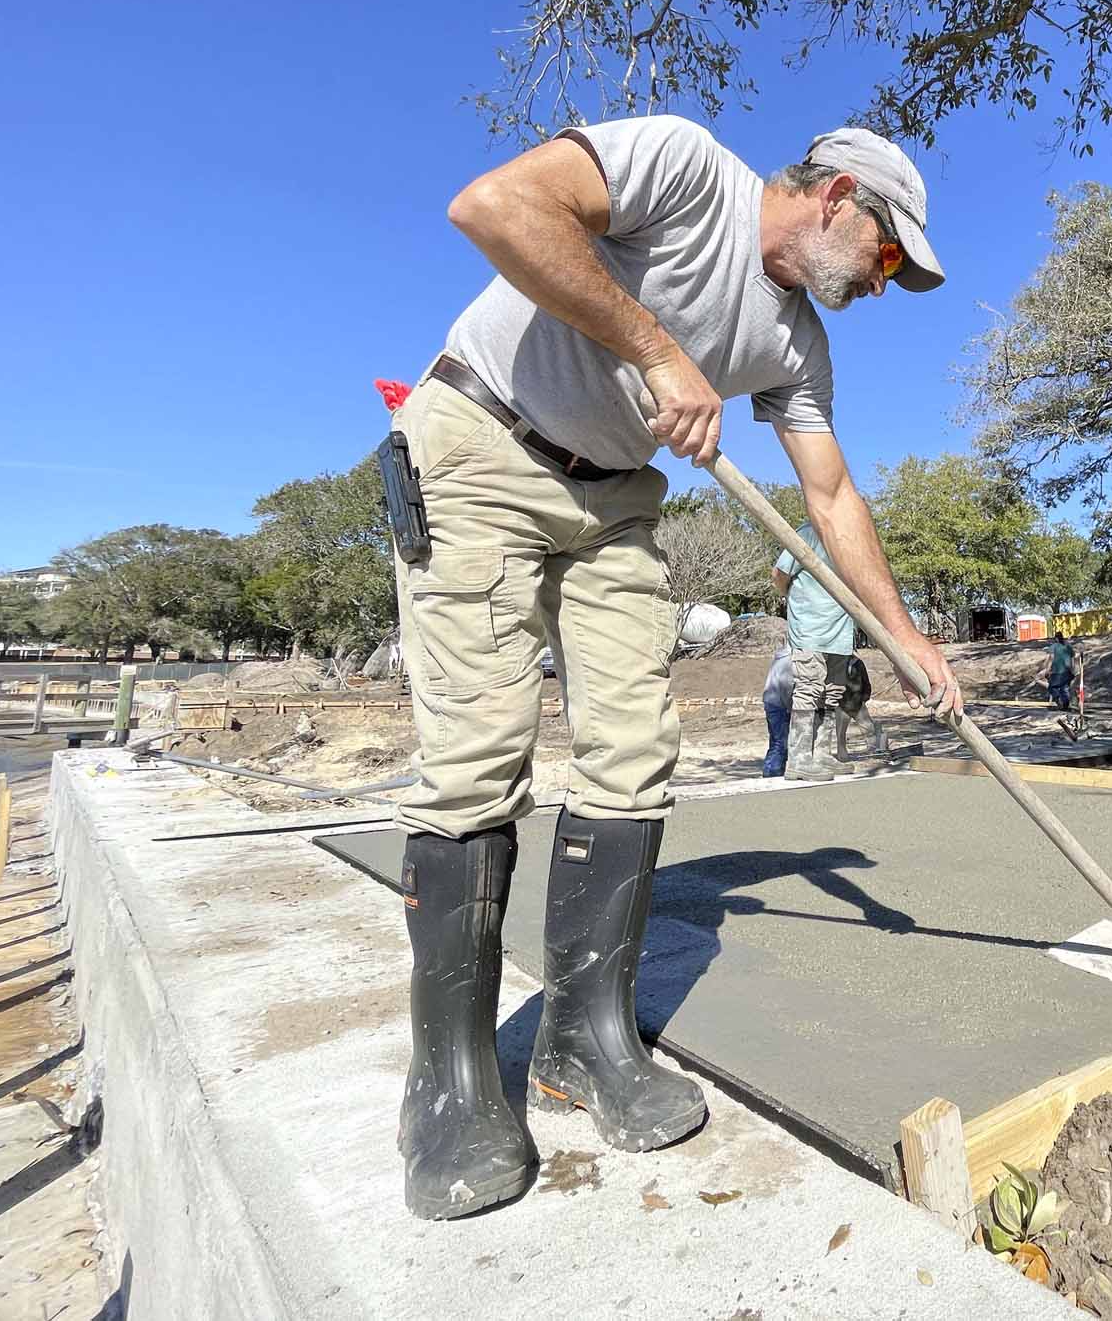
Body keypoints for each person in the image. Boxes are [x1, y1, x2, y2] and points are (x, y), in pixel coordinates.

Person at [386, 115, 961, 1221]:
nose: (882, 286)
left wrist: (903, 635)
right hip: (480, 443)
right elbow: (492, 207)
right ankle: (448, 1087)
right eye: (887, 256)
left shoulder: (798, 345)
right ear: (837, 194)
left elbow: (831, 496)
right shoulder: (685, 167)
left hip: (612, 499)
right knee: (474, 758)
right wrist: (657, 349)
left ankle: (581, 1042)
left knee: (637, 752)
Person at [772, 521, 858, 780]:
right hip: (810, 629)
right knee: (809, 688)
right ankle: (799, 758)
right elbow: (779, 575)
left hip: (840, 632)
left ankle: (821, 754)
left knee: (832, 693)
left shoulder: (854, 538)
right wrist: (797, 599)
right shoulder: (808, 533)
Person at [761, 645, 794, 777]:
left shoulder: (779, 658)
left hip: (771, 701)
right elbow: (786, 685)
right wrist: (790, 707)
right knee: (781, 742)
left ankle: (771, 769)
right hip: (780, 704)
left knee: (776, 740)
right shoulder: (789, 661)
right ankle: (772, 771)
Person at [1044, 632, 1079, 710]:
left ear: (1056, 638)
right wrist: (1073, 670)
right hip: (1067, 671)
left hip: (1057, 671)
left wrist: (1047, 670)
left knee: (1052, 687)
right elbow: (1073, 658)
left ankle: (1058, 698)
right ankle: (1065, 706)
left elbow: (1051, 659)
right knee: (1064, 688)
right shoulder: (1068, 646)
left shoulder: (1053, 647)